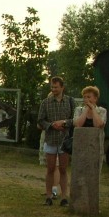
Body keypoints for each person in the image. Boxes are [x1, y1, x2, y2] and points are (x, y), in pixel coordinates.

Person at [37, 76, 75, 207]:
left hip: (65, 140)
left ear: (62, 87)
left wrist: (64, 123)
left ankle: (64, 197)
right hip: (51, 139)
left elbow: (75, 119)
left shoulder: (70, 101)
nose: (53, 89)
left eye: (56, 87)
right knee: (50, 168)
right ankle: (49, 196)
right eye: (52, 87)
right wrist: (51, 125)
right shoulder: (45, 102)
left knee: (63, 169)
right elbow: (40, 120)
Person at [73, 85, 107, 169]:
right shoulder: (78, 110)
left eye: (89, 97)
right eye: (84, 97)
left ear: (95, 98)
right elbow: (78, 125)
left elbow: (98, 125)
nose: (86, 99)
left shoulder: (102, 111)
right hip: (81, 146)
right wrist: (86, 110)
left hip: (96, 146)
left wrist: (93, 109)